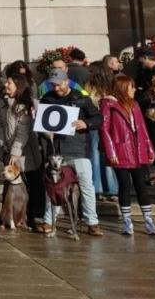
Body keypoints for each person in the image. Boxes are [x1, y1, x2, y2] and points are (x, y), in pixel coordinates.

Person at [38, 69, 103, 236]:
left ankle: (92, 222)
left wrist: (86, 124)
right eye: (53, 85)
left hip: (79, 149)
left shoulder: (81, 98)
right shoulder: (47, 99)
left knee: (86, 185)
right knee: (53, 187)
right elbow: (40, 125)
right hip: (56, 151)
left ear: (66, 82)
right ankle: (49, 220)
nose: (56, 88)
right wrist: (45, 133)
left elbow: (98, 118)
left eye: (58, 85)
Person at [101, 74, 155, 235]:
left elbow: (142, 128)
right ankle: (126, 220)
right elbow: (105, 129)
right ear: (123, 87)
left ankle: (148, 220)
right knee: (125, 185)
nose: (134, 89)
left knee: (141, 185)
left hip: (137, 150)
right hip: (121, 150)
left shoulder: (135, 104)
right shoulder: (109, 104)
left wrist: (149, 149)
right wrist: (111, 151)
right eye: (131, 86)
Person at [0, 74, 45, 230]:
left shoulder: (25, 106)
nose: (6, 85)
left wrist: (15, 152)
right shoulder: (3, 104)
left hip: (26, 153)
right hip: (9, 151)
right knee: (10, 186)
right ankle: (8, 217)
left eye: (9, 83)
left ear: (18, 86)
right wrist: (3, 144)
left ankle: (34, 217)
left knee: (31, 184)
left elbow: (23, 131)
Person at [84, 64, 119, 203]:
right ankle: (111, 189)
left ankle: (99, 188)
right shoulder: (112, 86)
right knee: (107, 154)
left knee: (96, 154)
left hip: (95, 124)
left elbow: (87, 103)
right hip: (108, 124)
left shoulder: (89, 86)